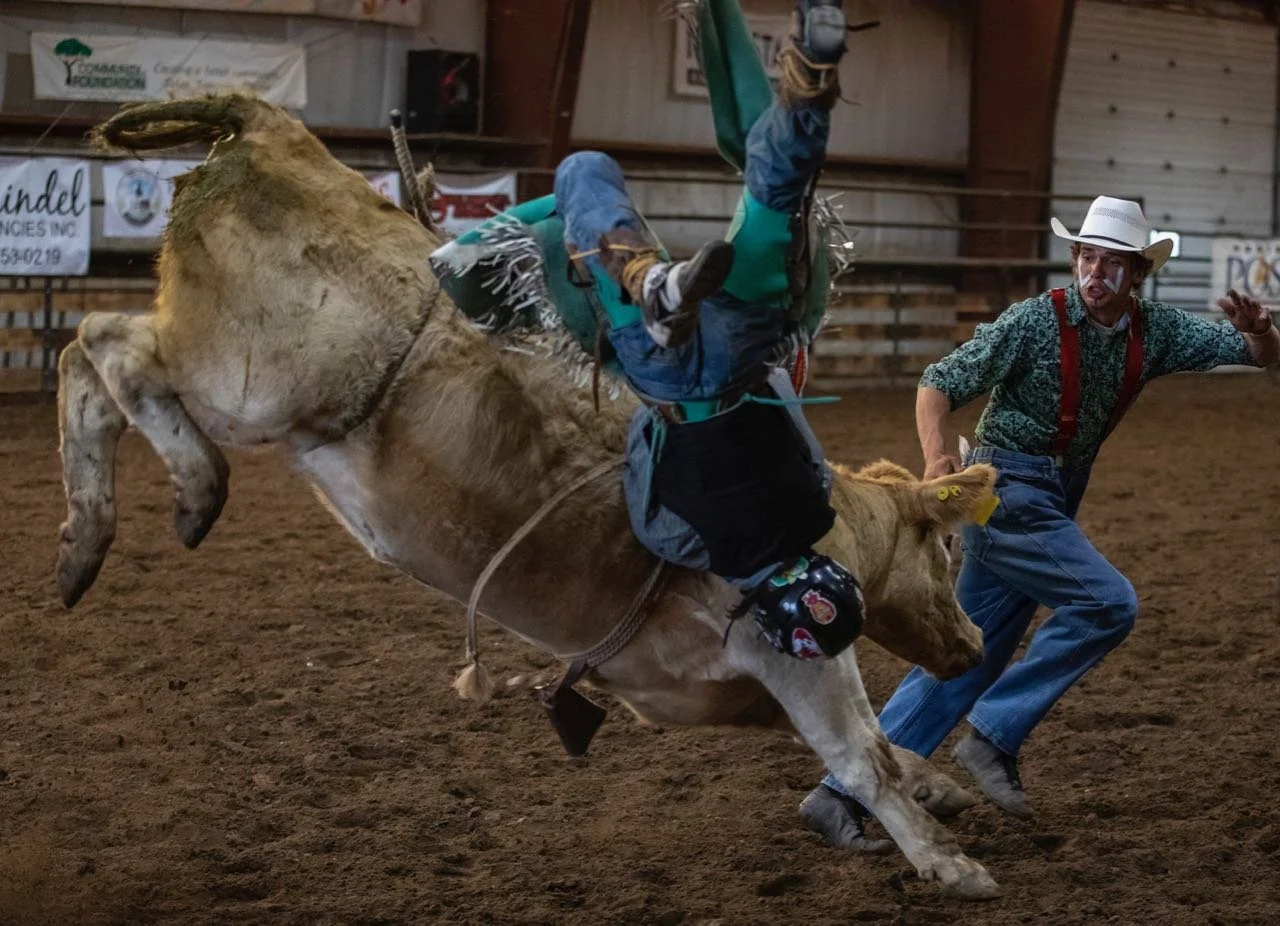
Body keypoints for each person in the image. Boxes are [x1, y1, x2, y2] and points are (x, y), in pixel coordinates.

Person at [800, 194, 1280, 845]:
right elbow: (939, 381)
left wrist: (1260, 330)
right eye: (1087, 257)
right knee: (1108, 603)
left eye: (1112, 262)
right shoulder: (1034, 321)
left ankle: (842, 793)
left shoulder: (1156, 331)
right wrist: (937, 455)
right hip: (1004, 489)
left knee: (966, 656)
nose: (1095, 272)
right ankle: (993, 735)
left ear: (1138, 273)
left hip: (1050, 494)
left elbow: (1255, 352)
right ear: (1075, 258)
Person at [431, 0, 869, 660]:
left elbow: (788, 410)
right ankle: (641, 281)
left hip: (751, 339)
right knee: (582, 171)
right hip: (672, 378)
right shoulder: (685, 543)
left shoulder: (817, 497)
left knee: (778, 194)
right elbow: (643, 446)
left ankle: (809, 84)